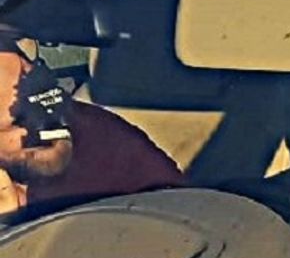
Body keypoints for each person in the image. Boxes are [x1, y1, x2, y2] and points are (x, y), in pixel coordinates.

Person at [0, 27, 184, 220]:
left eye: (48, 103)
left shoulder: (97, 138)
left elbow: (187, 215)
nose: (51, 132)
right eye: (19, 120)